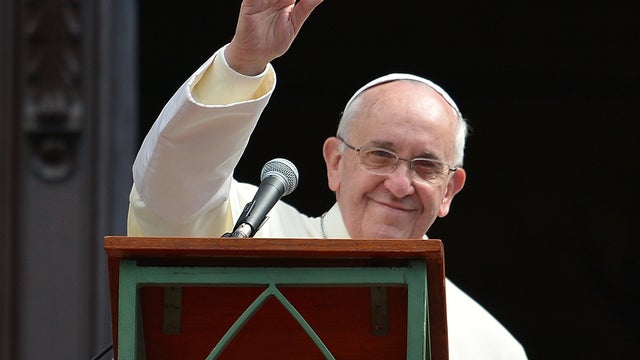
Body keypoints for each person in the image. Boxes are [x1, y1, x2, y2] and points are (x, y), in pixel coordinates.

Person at [128, 0, 528, 358]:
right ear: (335, 162)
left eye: (425, 166)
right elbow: (171, 191)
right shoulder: (254, 236)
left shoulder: (489, 347)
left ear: (449, 191)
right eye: (380, 155)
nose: (400, 184)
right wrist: (243, 63)